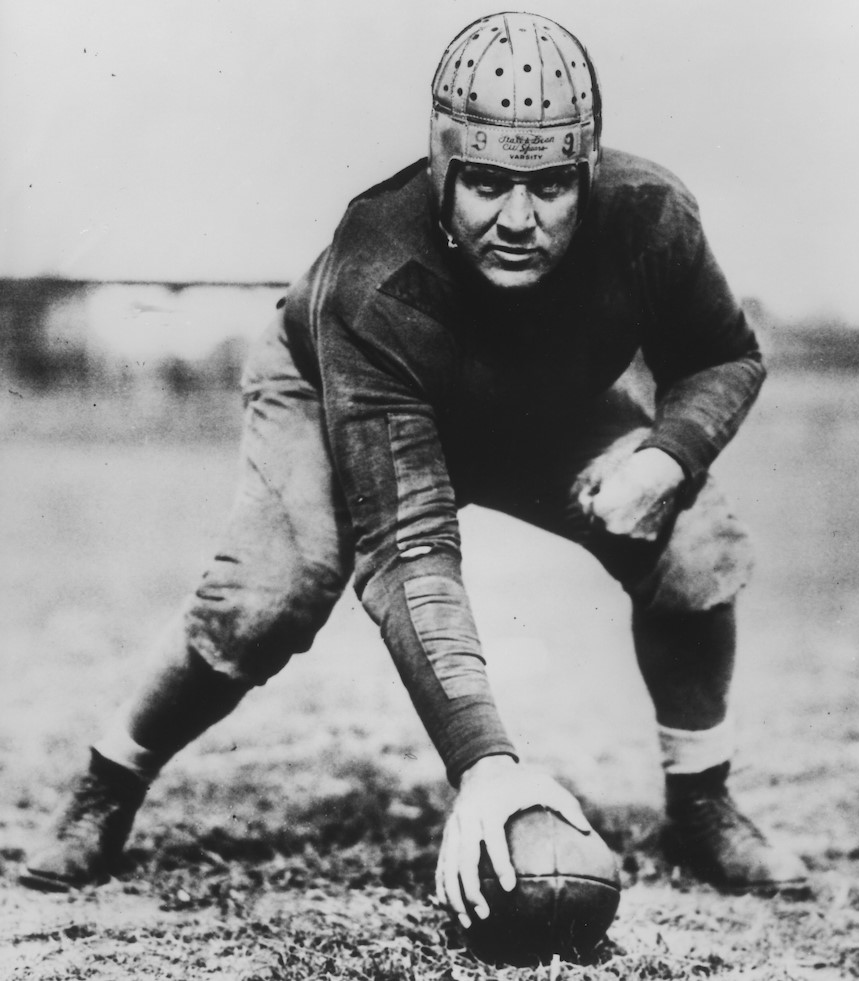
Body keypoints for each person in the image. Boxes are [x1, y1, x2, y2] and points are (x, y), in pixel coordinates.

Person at [22, 11, 807, 920]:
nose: (518, 219)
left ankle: (701, 801)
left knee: (696, 538)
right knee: (270, 593)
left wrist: (667, 458)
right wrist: (486, 762)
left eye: (550, 185)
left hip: (536, 402)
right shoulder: (374, 275)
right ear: (442, 170)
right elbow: (407, 546)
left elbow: (723, 354)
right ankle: (109, 780)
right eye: (484, 182)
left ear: (588, 172)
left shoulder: (650, 217)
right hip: (337, 386)